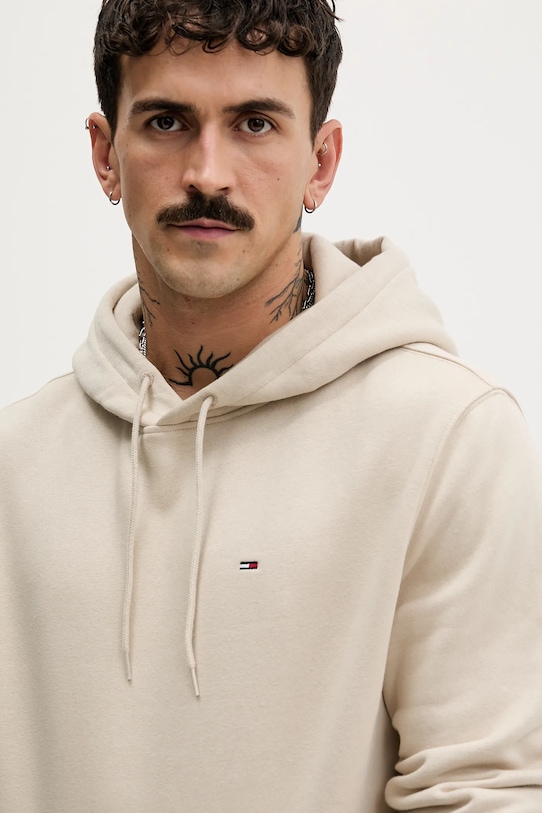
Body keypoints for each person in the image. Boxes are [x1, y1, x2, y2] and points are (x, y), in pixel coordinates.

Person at [1, 0, 541, 810]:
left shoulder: (447, 437)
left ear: (320, 162)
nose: (207, 173)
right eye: (167, 122)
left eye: (254, 124)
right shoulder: (15, 463)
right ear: (106, 155)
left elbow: (486, 789)